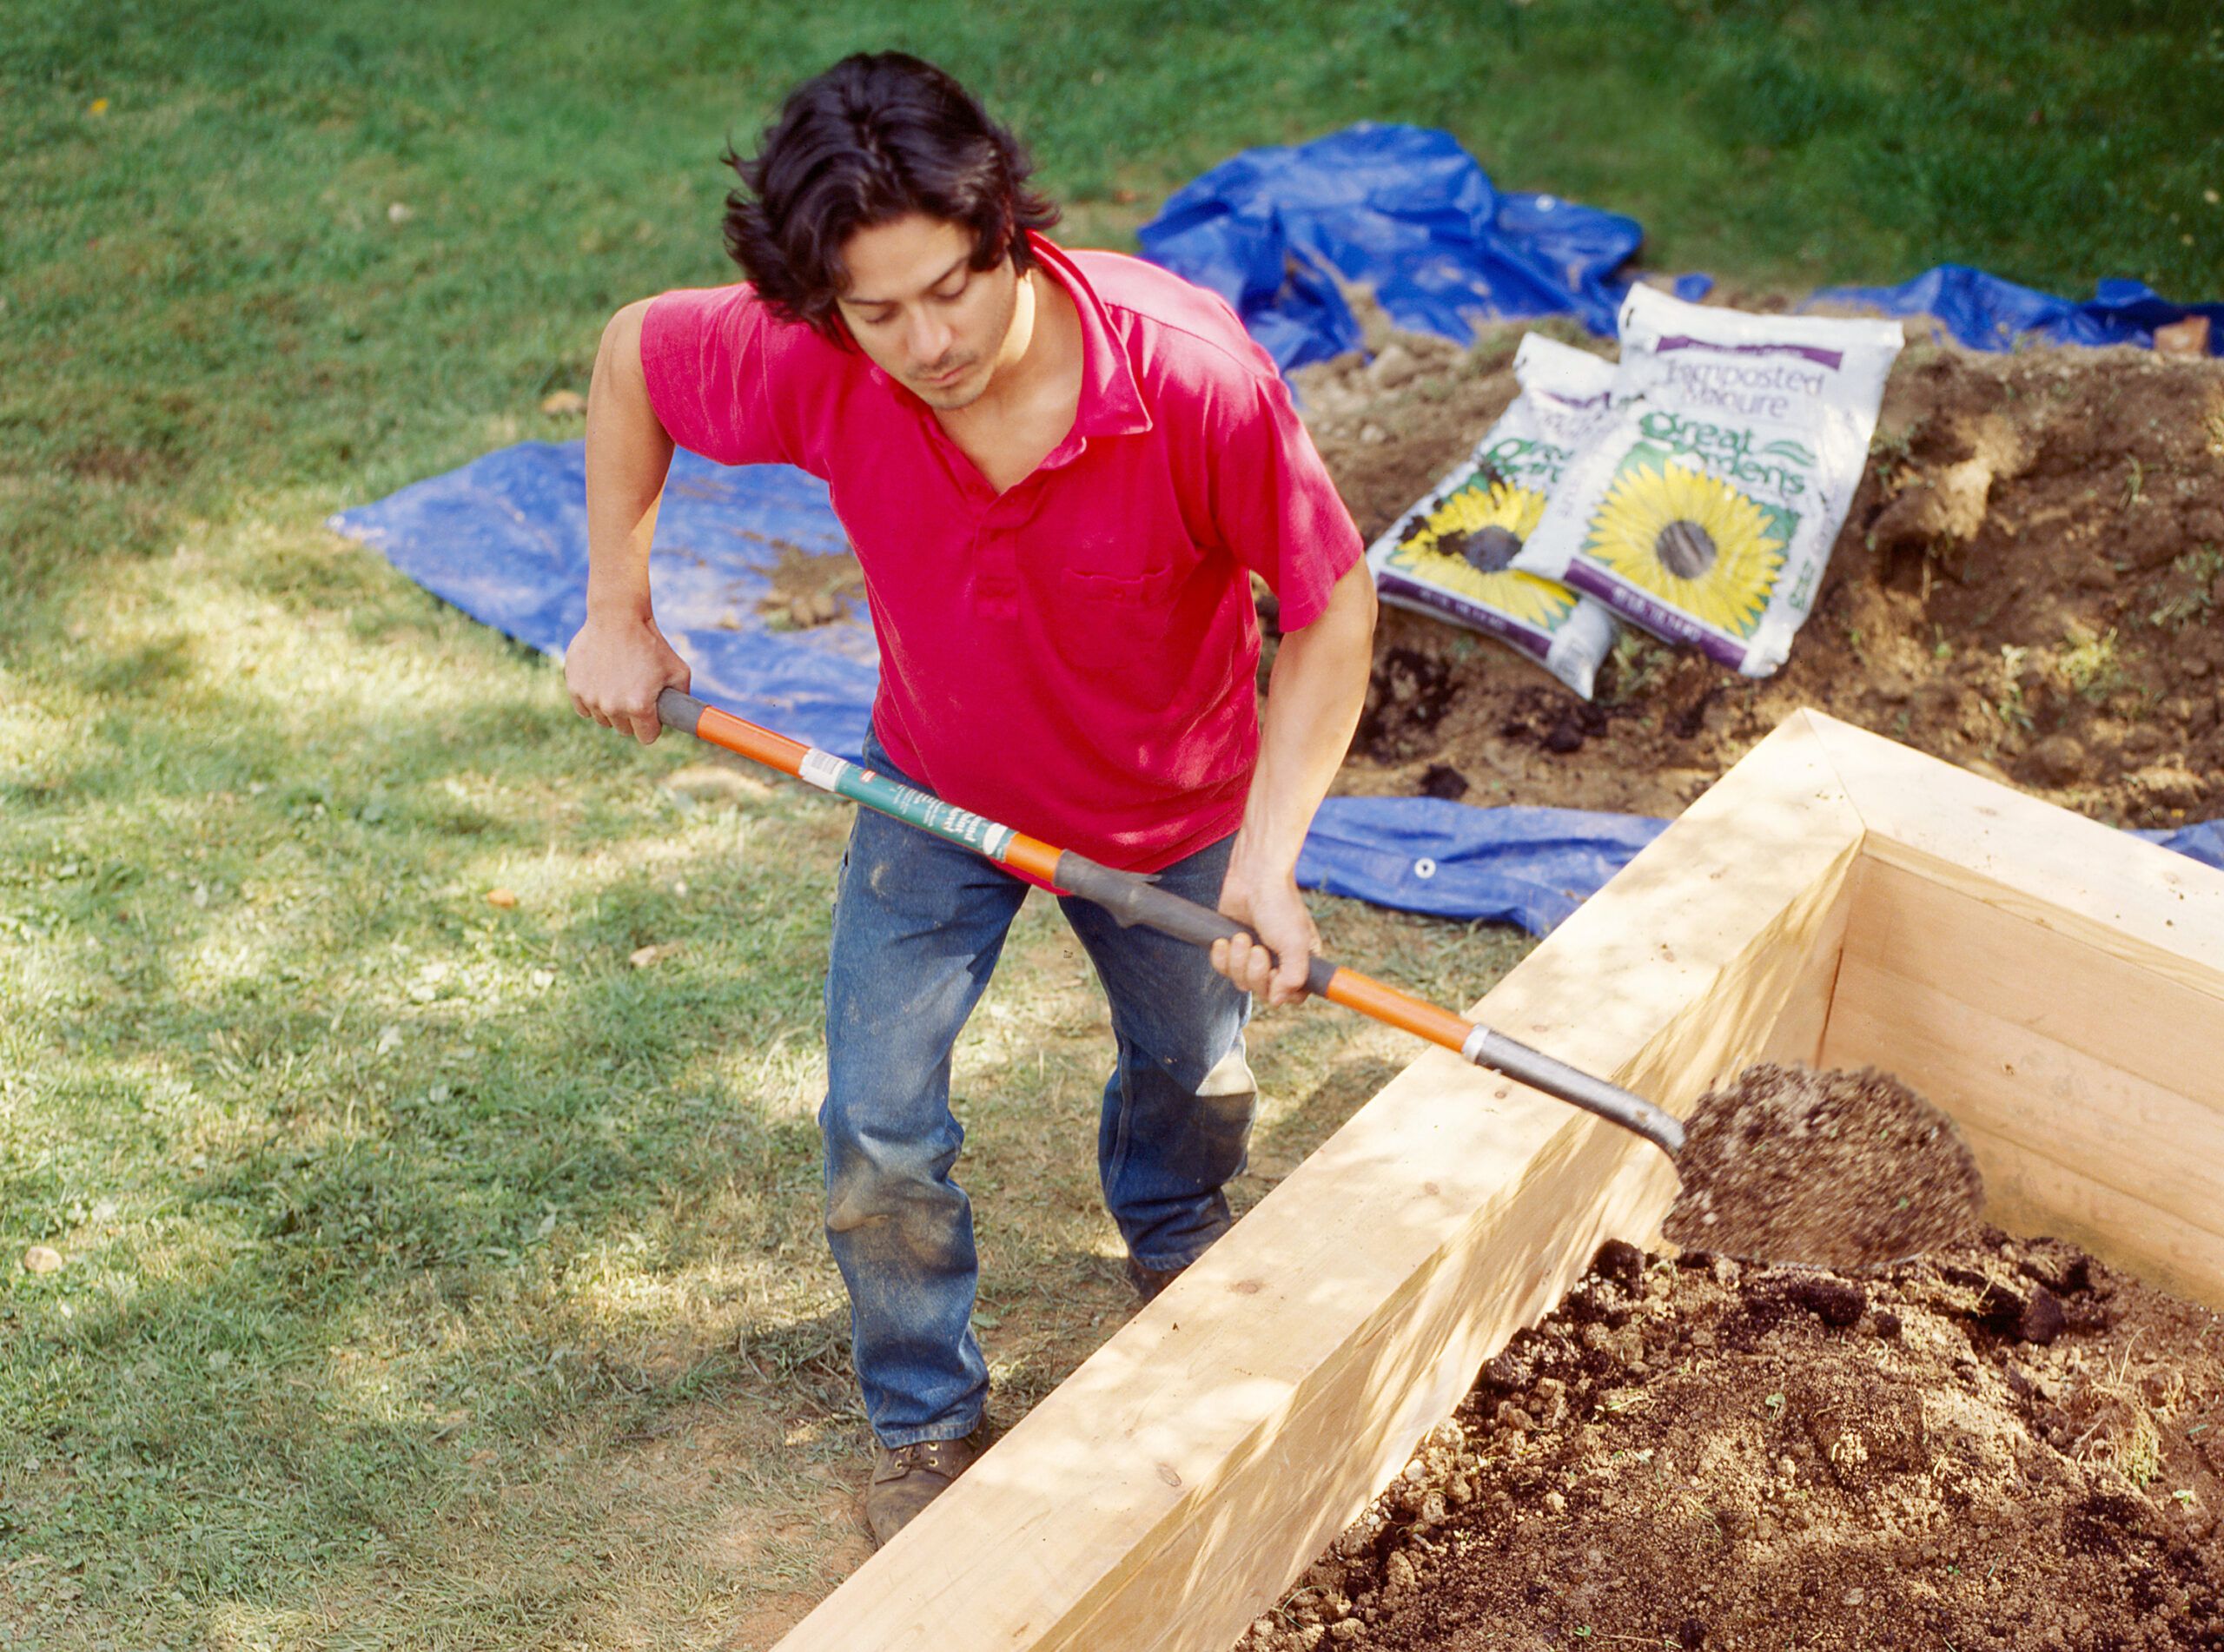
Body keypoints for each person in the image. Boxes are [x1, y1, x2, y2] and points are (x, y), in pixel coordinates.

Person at [564, 51, 1374, 1544]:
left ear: (1006, 228)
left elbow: (1332, 605)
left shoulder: (1190, 376)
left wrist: (1270, 857)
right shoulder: (820, 355)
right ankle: (928, 1415)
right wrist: (618, 602)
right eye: (880, 313)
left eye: (954, 287)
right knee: (878, 1125)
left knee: (1193, 1083)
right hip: (936, 789)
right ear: (827, 307)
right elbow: (632, 357)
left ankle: (1177, 1234)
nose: (929, 341)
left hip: (1167, 812)